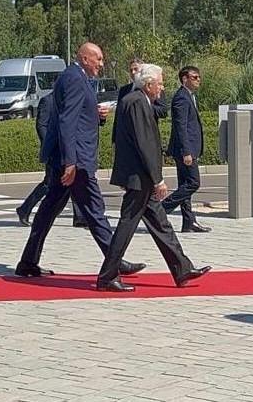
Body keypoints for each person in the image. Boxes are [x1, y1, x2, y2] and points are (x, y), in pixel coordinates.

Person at [16, 42, 145, 278]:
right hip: (76, 160)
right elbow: (67, 121)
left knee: (48, 211)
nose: (101, 64)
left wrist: (96, 115)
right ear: (85, 58)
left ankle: (28, 261)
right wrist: (70, 162)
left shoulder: (76, 76)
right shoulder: (74, 78)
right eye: (98, 59)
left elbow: (76, 115)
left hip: (69, 157)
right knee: (94, 210)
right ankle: (115, 261)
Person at [97, 64, 211, 292]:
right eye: (159, 83)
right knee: (126, 226)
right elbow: (144, 143)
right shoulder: (137, 102)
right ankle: (107, 277)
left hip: (140, 177)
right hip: (139, 177)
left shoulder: (139, 100)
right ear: (148, 85)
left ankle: (182, 268)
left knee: (161, 224)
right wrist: (158, 179)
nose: (162, 87)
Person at [15, 92, 85, 228]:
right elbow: (41, 125)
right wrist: (50, 145)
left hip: (67, 150)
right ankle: (24, 209)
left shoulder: (69, 100)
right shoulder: (48, 101)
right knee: (48, 184)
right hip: (54, 151)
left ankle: (79, 217)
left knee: (72, 180)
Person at [162, 66, 211, 233]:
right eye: (194, 77)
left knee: (185, 184)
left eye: (199, 77)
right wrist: (186, 151)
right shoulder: (181, 98)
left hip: (188, 148)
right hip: (185, 150)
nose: (198, 80)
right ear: (185, 79)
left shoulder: (188, 96)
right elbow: (180, 127)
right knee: (193, 183)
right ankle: (161, 210)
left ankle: (189, 222)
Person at [112, 58, 168, 142]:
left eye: (136, 69)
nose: (133, 72)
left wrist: (142, 107)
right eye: (131, 70)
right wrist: (114, 138)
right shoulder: (124, 90)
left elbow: (163, 111)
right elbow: (118, 115)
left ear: (142, 71)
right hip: (127, 138)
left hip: (146, 135)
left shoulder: (155, 88)